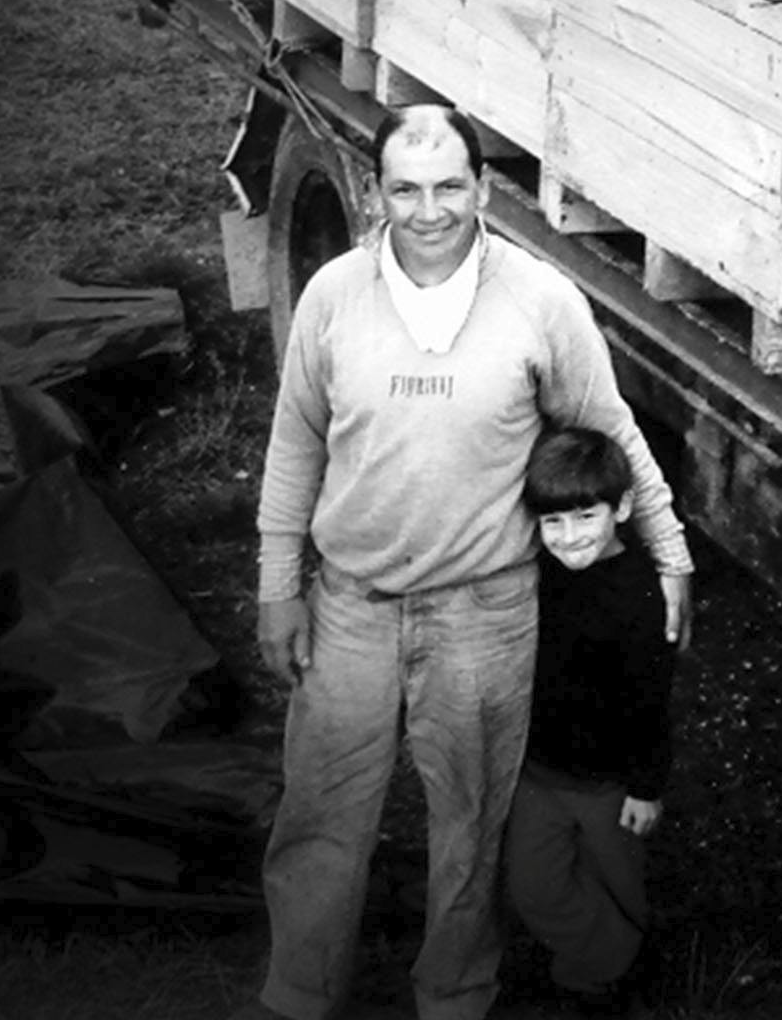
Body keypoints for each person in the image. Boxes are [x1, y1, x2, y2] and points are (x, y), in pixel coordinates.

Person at [239, 104, 694, 1020]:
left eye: (449, 186)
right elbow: (295, 445)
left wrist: (670, 550)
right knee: (321, 812)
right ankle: (297, 994)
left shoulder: (541, 300)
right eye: (405, 189)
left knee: (472, 827)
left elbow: (608, 428)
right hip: (352, 602)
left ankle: (454, 994)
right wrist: (278, 584)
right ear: (376, 192)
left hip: (485, 610)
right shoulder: (332, 296)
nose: (429, 210)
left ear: (483, 188)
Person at [505, 426, 680, 1014]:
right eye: (552, 522)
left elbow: (651, 699)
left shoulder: (640, 595)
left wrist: (646, 787)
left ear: (622, 508)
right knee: (534, 885)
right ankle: (613, 955)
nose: (569, 536)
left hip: (611, 782)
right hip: (539, 774)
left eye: (585, 517)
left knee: (621, 881)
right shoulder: (538, 573)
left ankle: (597, 981)